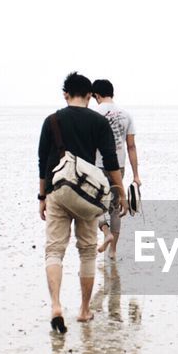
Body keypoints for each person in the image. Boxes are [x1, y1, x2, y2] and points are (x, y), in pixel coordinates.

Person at [37, 72, 128, 331]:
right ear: (89, 96)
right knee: (87, 251)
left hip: (57, 191)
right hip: (87, 195)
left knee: (54, 250)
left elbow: (43, 162)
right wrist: (120, 193)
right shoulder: (98, 122)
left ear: (65, 94)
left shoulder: (51, 120)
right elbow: (110, 161)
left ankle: (56, 305)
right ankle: (84, 310)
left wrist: (42, 197)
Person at [90, 79, 141, 260]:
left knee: (95, 205)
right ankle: (113, 251)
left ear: (96, 95)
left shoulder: (93, 114)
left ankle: (105, 232)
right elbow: (131, 147)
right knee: (115, 207)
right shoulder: (126, 115)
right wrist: (136, 175)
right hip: (119, 167)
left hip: (98, 166)